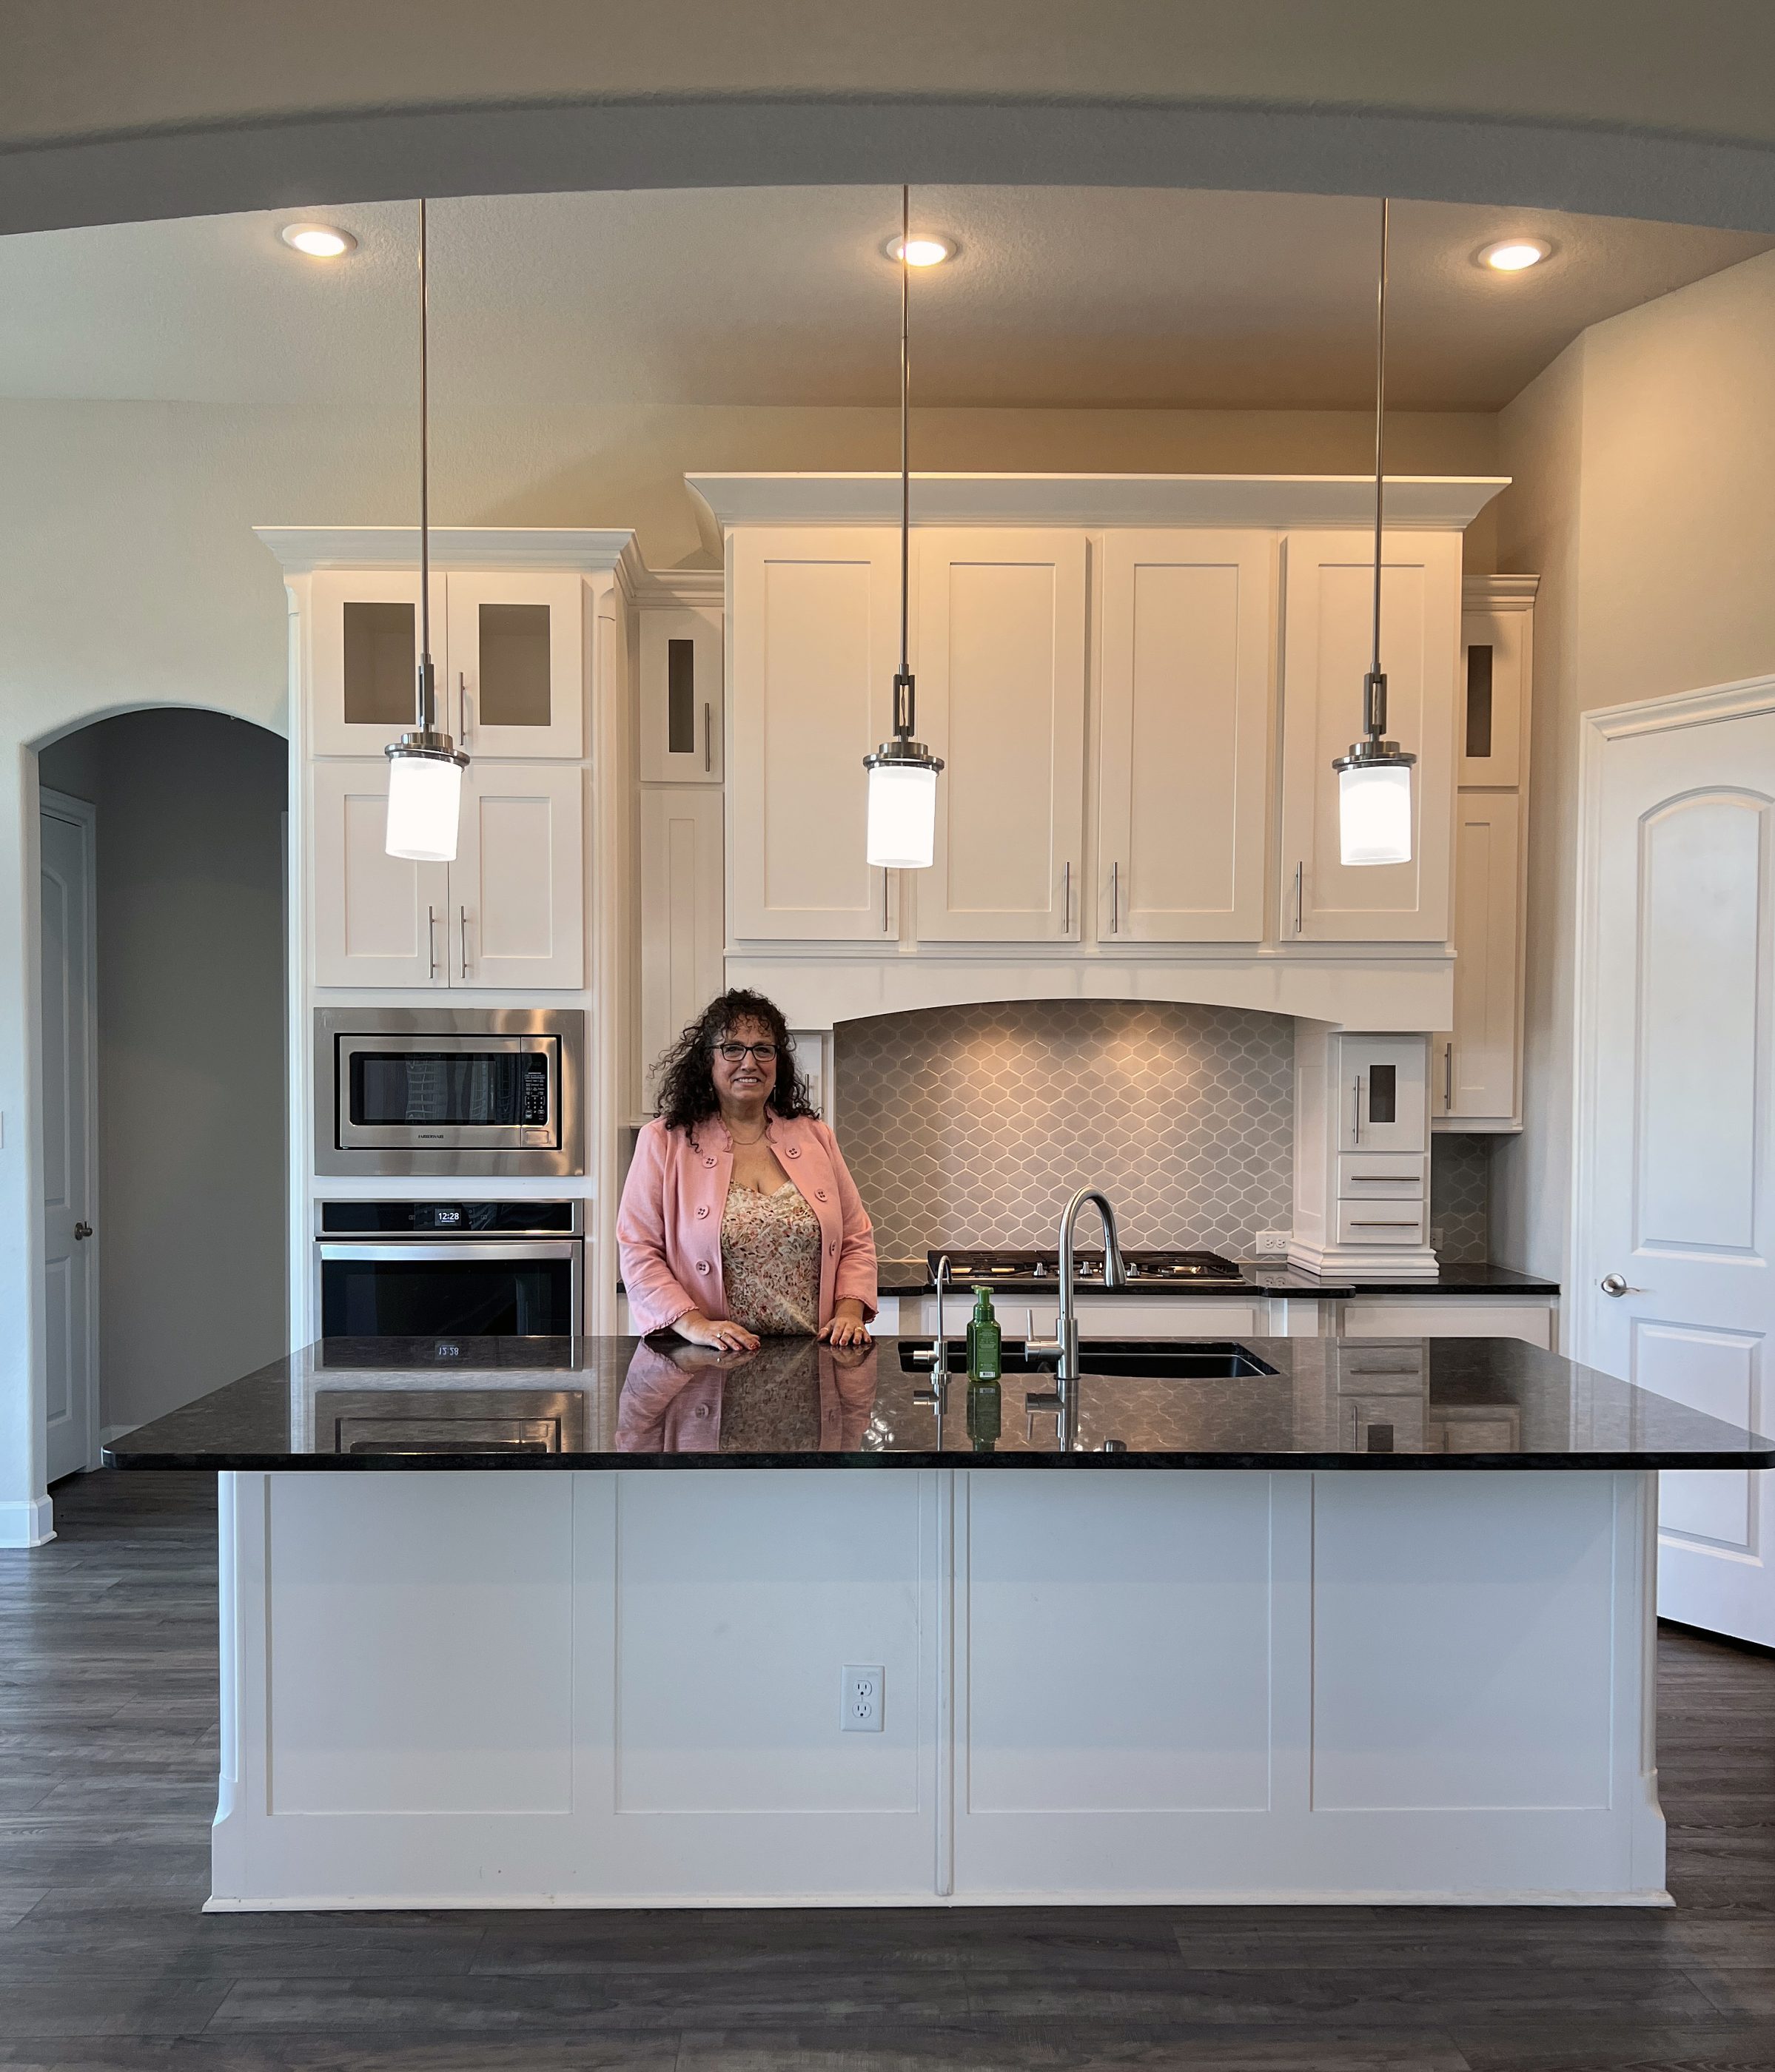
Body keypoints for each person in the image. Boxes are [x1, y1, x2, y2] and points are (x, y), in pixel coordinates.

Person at [617, 989, 877, 1352]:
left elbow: (855, 1238)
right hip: (711, 1359)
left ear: (777, 1062)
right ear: (707, 1061)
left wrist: (849, 1312)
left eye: (763, 1049)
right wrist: (695, 1326)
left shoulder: (815, 1136)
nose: (749, 1062)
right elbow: (638, 1248)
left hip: (812, 1357)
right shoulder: (664, 1141)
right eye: (732, 1048)